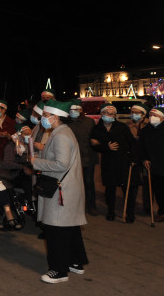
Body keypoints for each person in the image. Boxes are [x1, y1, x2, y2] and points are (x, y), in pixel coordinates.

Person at [31, 100, 88, 284]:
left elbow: (61, 164)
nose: (43, 119)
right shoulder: (61, 132)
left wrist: (36, 162)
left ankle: (59, 270)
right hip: (66, 189)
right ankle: (75, 262)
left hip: (60, 191)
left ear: (55, 116)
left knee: (56, 231)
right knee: (70, 228)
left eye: (45, 116)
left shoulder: (61, 135)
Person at [90, 103, 136, 222]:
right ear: (102, 114)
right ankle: (111, 211)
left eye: (112, 114)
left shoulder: (122, 126)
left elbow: (132, 143)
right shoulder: (96, 129)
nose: (109, 116)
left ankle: (129, 213)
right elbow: (94, 146)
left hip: (123, 162)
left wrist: (133, 158)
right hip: (108, 163)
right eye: (107, 113)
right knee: (110, 189)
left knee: (127, 188)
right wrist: (106, 147)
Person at [67, 99, 98, 215]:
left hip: (88, 157)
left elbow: (95, 135)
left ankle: (91, 205)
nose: (74, 111)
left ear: (81, 110)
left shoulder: (89, 122)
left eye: (76, 109)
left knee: (89, 182)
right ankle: (75, 206)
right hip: (72, 158)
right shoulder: (66, 122)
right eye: (71, 110)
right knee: (73, 183)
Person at [127, 102, 151, 213]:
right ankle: (130, 204)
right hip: (134, 157)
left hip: (146, 157)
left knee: (148, 182)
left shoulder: (149, 125)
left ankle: (148, 206)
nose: (134, 114)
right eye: (132, 112)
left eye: (137, 112)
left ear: (143, 114)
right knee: (133, 182)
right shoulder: (127, 125)